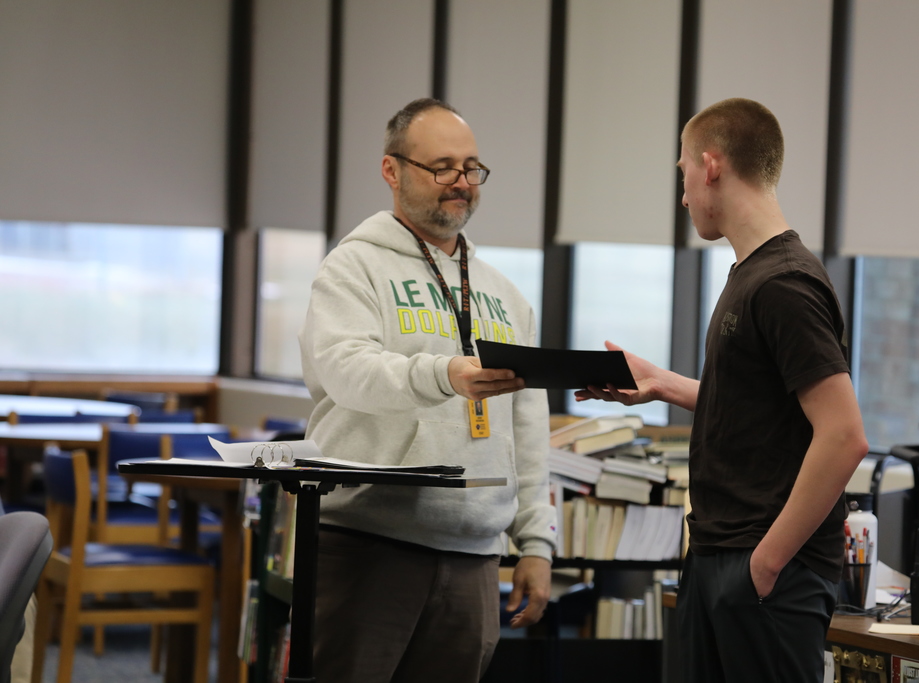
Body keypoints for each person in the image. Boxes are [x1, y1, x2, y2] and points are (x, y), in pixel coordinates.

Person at [576, 98, 869, 683]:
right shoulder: (752, 273)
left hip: (762, 571)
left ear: (710, 166)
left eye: (682, 172)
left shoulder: (784, 282)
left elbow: (843, 436)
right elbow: (760, 405)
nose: (683, 196)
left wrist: (766, 562)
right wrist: (659, 382)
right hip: (720, 557)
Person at [298, 98, 555, 683]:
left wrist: (536, 542)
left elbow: (526, 428)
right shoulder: (352, 268)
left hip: (473, 555)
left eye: (471, 168)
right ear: (392, 170)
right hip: (368, 543)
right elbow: (346, 370)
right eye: (442, 167)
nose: (460, 183)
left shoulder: (506, 297)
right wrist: (444, 374)